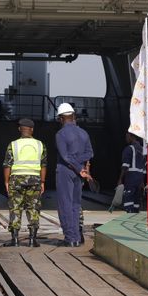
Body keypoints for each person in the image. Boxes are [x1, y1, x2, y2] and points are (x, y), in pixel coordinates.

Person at [3, 117, 47, 246]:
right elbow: (43, 165)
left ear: (19, 129)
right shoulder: (40, 145)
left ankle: (15, 239)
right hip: (35, 180)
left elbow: (7, 165)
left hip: (16, 179)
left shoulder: (13, 144)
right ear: (32, 130)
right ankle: (32, 240)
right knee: (33, 208)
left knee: (15, 208)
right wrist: (42, 181)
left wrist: (6, 181)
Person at [54, 102, 93, 247]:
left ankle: (70, 238)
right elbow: (90, 153)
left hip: (65, 171)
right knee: (76, 205)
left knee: (65, 204)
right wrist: (81, 167)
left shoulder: (60, 134)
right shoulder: (84, 133)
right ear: (73, 116)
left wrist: (76, 166)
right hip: (79, 173)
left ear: (61, 119)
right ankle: (76, 237)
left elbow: (65, 156)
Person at [120, 133, 147, 213]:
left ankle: (129, 212)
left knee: (128, 196)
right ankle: (135, 213)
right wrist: (142, 181)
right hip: (140, 177)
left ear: (132, 137)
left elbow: (125, 166)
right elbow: (144, 167)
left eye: (127, 136)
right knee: (136, 197)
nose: (126, 138)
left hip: (131, 176)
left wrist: (120, 179)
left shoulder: (129, 149)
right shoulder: (143, 150)